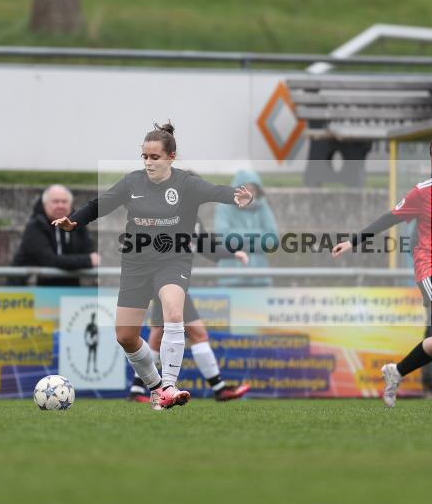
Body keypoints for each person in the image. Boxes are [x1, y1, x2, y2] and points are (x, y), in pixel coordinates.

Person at [53, 121, 252, 411]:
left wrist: (236, 195)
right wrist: (75, 220)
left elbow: (215, 191)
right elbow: (100, 204)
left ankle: (170, 386)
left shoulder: (186, 184)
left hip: (173, 260)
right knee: (125, 336)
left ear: (171, 157)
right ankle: (157, 388)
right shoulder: (132, 182)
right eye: (145, 156)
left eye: (155, 157)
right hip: (135, 263)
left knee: (173, 311)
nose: (148, 162)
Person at [332, 133, 432, 410]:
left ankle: (396, 371)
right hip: (430, 263)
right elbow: (390, 217)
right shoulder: (423, 191)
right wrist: (352, 241)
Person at [128, 210, 252, 403]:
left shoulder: (193, 218)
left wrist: (233, 253)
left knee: (162, 335)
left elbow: (205, 244)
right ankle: (218, 389)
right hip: (164, 282)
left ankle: (137, 390)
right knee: (192, 333)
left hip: (175, 284)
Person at [11, 184, 99, 287]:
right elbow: (48, 260)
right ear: (45, 204)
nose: (60, 205)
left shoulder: (77, 225)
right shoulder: (35, 226)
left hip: (69, 291)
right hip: (27, 293)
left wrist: (88, 259)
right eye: (55, 201)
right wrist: (87, 260)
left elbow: (90, 251)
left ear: (70, 205)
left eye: (64, 202)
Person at [214, 169, 279, 286]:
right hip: (231, 279)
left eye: (252, 190)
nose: (249, 193)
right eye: (245, 189)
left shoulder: (263, 208)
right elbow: (223, 238)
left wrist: (239, 241)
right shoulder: (224, 208)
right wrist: (259, 234)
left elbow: (272, 240)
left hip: (260, 279)